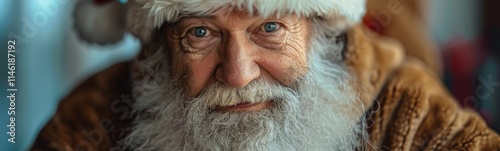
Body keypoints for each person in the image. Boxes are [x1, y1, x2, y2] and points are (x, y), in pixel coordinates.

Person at [32, 0, 500, 150]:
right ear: (160, 44)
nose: (238, 75)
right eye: (200, 32)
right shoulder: (93, 119)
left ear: (319, 30)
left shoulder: (401, 103)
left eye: (269, 28)